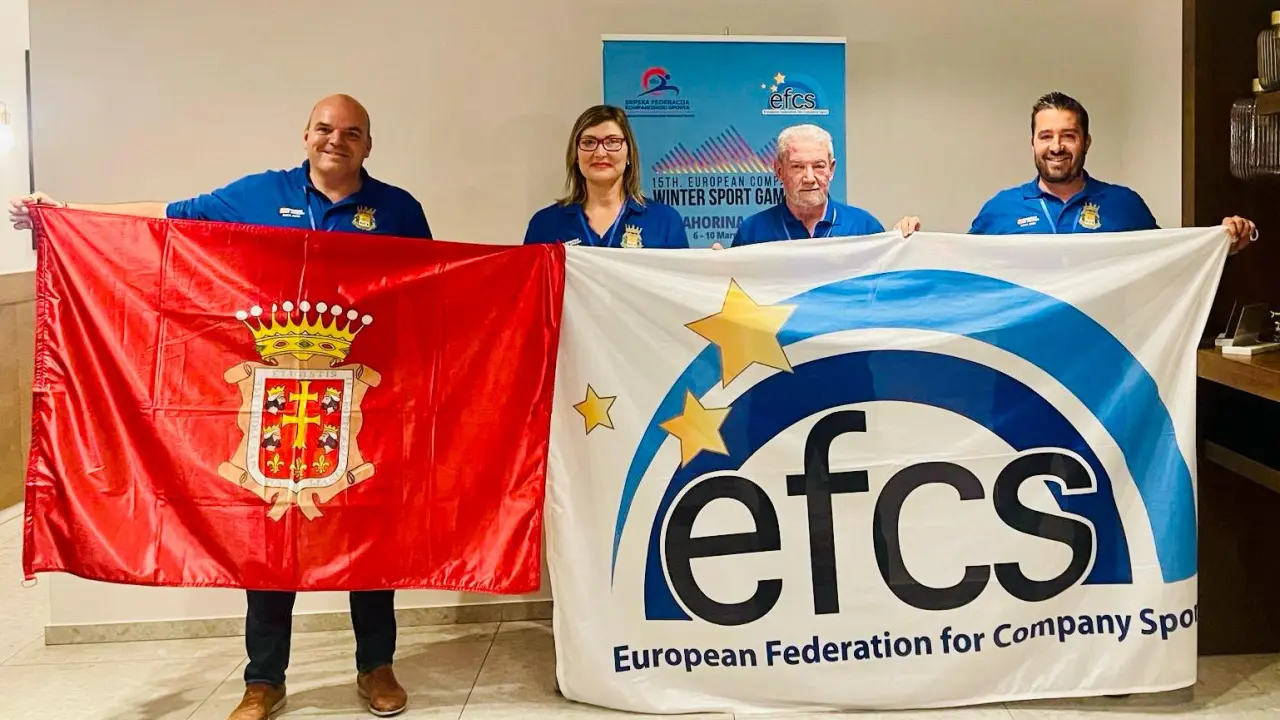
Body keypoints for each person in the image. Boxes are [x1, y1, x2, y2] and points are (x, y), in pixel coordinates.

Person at [9, 94, 426, 720]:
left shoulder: (398, 210)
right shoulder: (258, 194)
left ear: (369, 144)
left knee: (366, 528)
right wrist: (64, 214)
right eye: (324, 129)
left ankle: (377, 664)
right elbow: (166, 216)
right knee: (270, 533)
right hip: (272, 399)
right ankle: (264, 679)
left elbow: (430, 290)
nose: (335, 141)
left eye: (351, 133)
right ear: (305, 135)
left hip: (361, 395)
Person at [969, 91, 1257, 251]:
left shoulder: (1124, 204)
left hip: (1106, 344)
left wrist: (1222, 244)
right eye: (1046, 136)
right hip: (1024, 344)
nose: (1056, 147)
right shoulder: (1000, 209)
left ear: (1086, 142)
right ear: (1032, 143)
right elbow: (960, 274)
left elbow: (1171, 262)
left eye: (1068, 136)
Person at [724, 123, 920, 248]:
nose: (809, 178)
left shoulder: (863, 226)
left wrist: (902, 243)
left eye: (818, 166)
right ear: (779, 170)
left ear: (831, 169)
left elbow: (885, 287)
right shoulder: (752, 231)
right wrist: (716, 270)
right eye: (798, 167)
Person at [523, 104, 689, 248]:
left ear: (629, 154)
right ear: (576, 155)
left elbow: (679, 276)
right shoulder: (544, 224)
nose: (600, 153)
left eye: (612, 142)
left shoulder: (665, 222)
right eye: (588, 142)